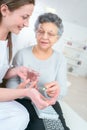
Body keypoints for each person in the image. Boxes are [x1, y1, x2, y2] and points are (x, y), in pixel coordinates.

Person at [7, 13, 70, 130]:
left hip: (46, 101)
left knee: (59, 128)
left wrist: (55, 91)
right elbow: (11, 83)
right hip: (24, 100)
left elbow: (62, 89)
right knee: (36, 126)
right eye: (40, 31)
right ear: (35, 32)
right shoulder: (22, 54)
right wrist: (24, 89)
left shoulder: (60, 59)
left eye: (50, 34)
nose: (44, 37)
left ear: (58, 37)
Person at [0, 1, 51, 130]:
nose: (27, 24)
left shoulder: (10, 39)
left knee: (20, 114)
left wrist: (17, 70)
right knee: (18, 115)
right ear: (4, 10)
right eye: (24, 17)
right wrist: (25, 92)